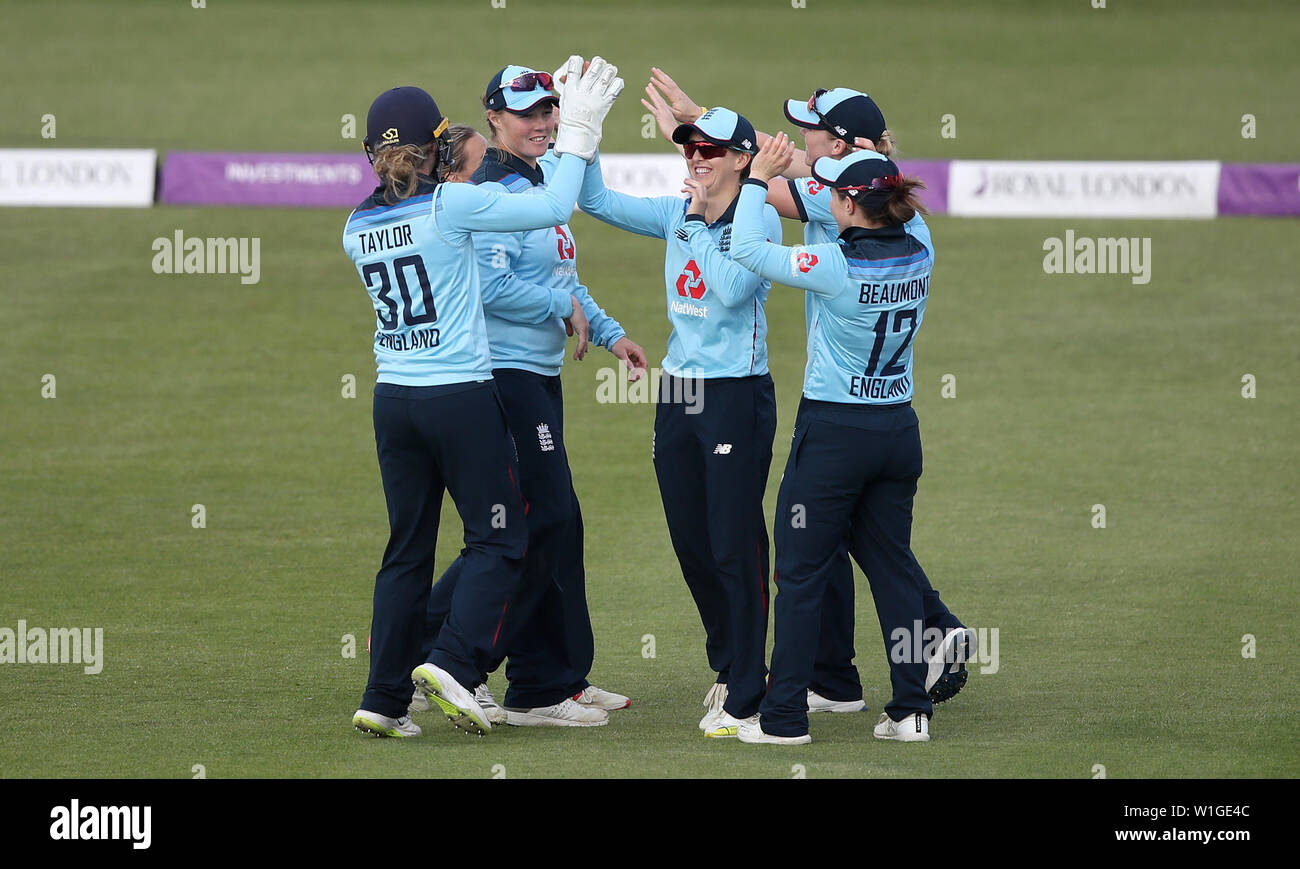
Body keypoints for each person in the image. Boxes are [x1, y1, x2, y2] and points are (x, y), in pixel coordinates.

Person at [644, 72, 977, 704]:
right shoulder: (910, 226)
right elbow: (797, 169)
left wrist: (711, 153)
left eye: (813, 130)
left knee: (808, 545)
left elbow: (761, 198)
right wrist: (708, 129)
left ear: (845, 151)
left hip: (834, 415)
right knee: (871, 538)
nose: (801, 137)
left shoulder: (834, 224)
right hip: (895, 418)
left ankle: (790, 699)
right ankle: (920, 643)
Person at [343, 56, 625, 739]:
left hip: (392, 400)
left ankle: (384, 698)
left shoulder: (353, 227)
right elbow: (555, 206)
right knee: (500, 537)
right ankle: (453, 663)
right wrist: (580, 132)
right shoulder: (453, 202)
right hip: (460, 395)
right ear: (440, 147)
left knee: (406, 549)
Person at [421, 64, 646, 727]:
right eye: (527, 113)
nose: (543, 122)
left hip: (538, 378)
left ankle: (553, 678)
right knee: (533, 523)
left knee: (557, 523)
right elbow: (489, 289)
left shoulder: (536, 180)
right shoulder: (492, 186)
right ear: (493, 118)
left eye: (551, 109)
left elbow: (564, 277)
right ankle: (449, 658)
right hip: (505, 379)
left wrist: (609, 332)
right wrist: (560, 306)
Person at [729, 134, 946, 744]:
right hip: (899, 430)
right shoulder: (922, 248)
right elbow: (879, 206)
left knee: (799, 573)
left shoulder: (833, 265)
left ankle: (785, 718)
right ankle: (911, 710)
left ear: (849, 206)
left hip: (834, 433)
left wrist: (752, 183)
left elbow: (747, 248)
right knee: (894, 568)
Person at [576, 106, 783, 738]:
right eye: (689, 147)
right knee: (692, 542)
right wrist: (584, 135)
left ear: (742, 160)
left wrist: (693, 221)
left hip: (735, 396)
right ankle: (730, 666)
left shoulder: (759, 217)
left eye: (710, 150)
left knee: (733, 543)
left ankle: (749, 690)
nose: (695, 157)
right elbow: (596, 201)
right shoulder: (678, 213)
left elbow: (729, 289)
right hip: (680, 394)